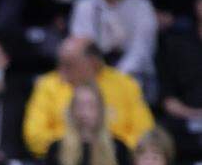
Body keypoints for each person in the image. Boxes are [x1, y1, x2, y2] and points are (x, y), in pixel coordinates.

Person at [23, 37, 154, 158]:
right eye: (60, 62)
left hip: (117, 161)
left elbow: (144, 133)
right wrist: (77, 146)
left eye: (69, 64)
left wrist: (111, 148)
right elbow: (34, 137)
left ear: (93, 63)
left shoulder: (125, 85)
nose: (61, 70)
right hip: (62, 161)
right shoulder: (48, 85)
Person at [42, 84, 133, 165]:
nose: (85, 112)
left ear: (101, 110)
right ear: (71, 110)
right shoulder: (56, 148)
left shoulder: (118, 148)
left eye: (91, 106)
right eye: (80, 106)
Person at [70, 0, 158, 88]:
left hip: (134, 71)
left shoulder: (141, 5)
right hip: (95, 69)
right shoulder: (84, 4)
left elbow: (141, 49)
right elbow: (82, 45)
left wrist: (117, 76)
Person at [158, 0, 202, 124]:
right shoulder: (175, 45)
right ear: (198, 5)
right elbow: (168, 99)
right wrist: (196, 115)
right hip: (184, 122)